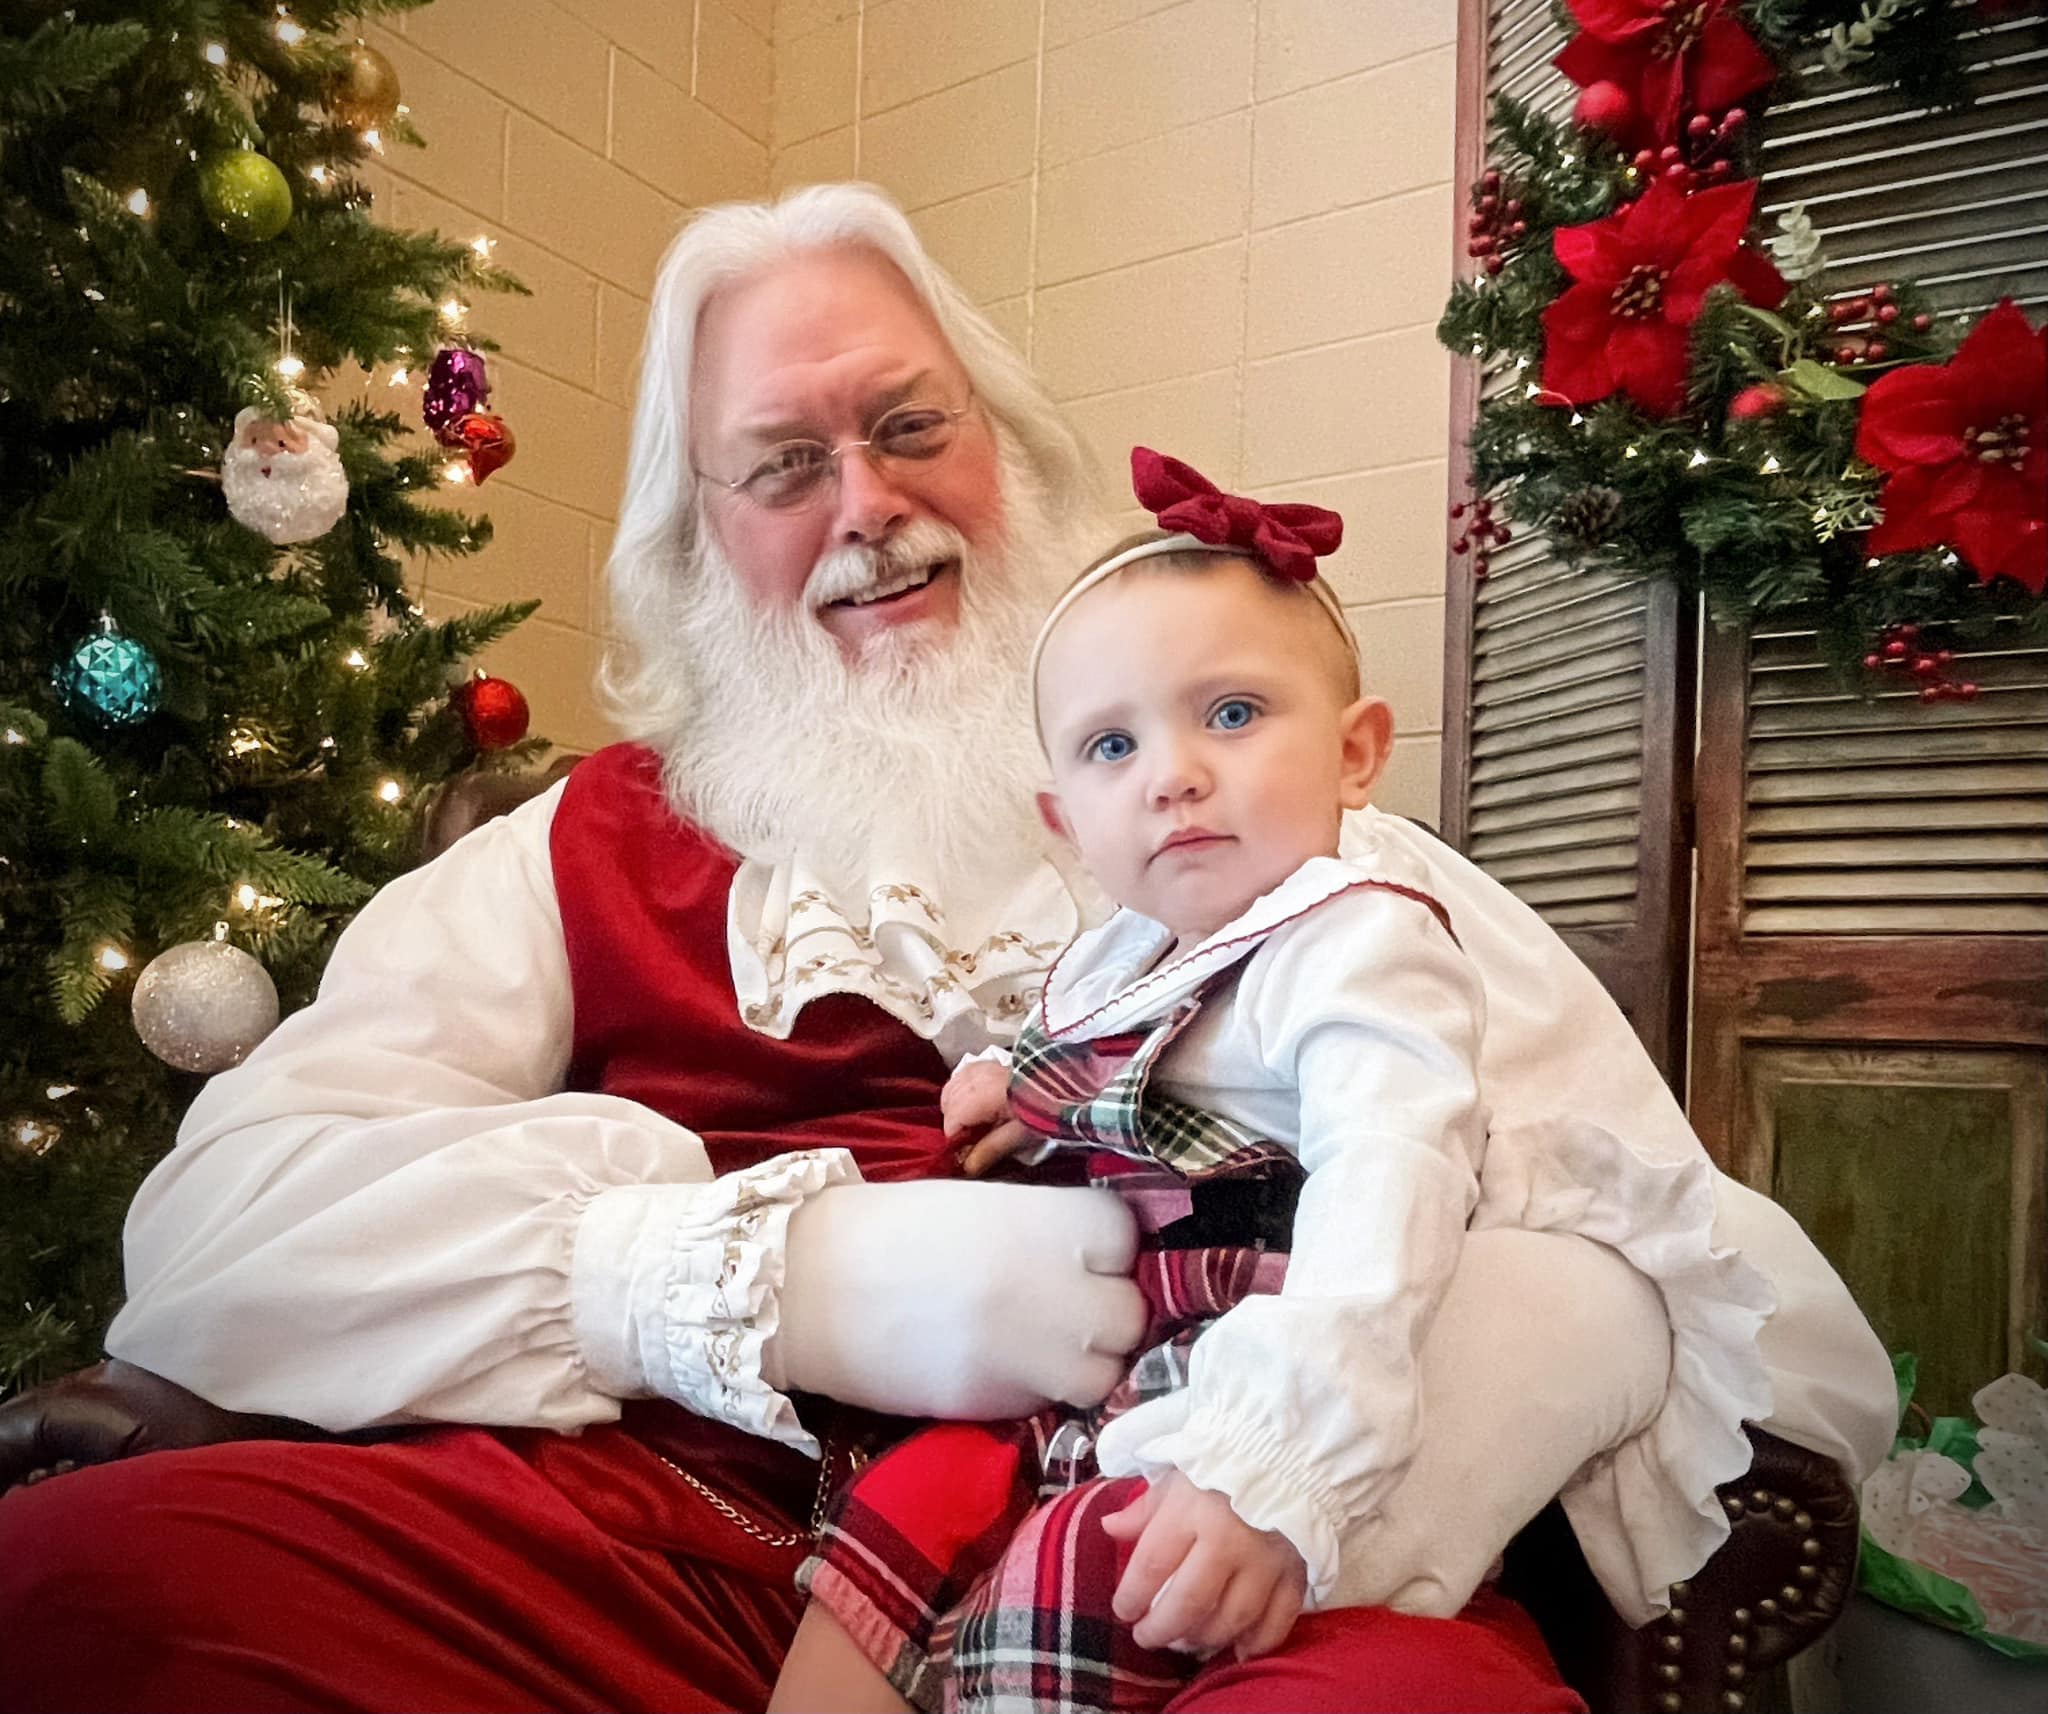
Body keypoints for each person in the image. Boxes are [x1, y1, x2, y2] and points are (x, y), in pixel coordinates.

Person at [0, 186, 1894, 1714]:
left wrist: (1326, 1447)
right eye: (781, 466)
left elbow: (1687, 1270)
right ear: (696, 541)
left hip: (1190, 1578)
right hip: (670, 1550)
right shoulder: (571, 854)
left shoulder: (1302, 851)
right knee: (90, 1582)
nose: (868, 507)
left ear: (1013, 452)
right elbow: (212, 1244)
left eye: (911, 427)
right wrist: (760, 1281)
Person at [768, 450, 1784, 1714]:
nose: (1171, 774)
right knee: (905, 1503)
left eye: (1233, 715)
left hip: (1255, 1370)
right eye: (1110, 745)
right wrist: (1011, 1090)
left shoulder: (1358, 941)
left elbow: (1388, 1186)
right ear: (1064, 820)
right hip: (1113, 1359)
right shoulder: (1127, 951)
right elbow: (1096, 1060)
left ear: (1356, 755)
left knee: (1099, 1568)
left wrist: (1278, 1452)